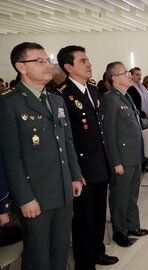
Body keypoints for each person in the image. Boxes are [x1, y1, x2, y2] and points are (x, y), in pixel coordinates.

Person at [0, 42, 83, 270]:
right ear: (21, 67)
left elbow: (67, 142)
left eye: (48, 60)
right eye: (40, 61)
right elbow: (10, 158)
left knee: (60, 250)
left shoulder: (56, 100)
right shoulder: (9, 103)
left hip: (63, 189)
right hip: (35, 195)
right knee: (38, 256)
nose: (48, 65)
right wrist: (25, 198)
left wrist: (75, 176)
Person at [56, 45, 118, 269]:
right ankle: (84, 262)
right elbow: (65, 138)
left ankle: (98, 251)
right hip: (82, 167)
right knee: (83, 218)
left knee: (100, 213)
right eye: (83, 61)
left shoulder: (92, 90)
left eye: (88, 60)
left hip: (99, 163)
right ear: (69, 66)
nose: (90, 64)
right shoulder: (62, 95)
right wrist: (75, 171)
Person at [100, 61, 148, 248]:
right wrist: (116, 162)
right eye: (125, 72)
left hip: (134, 155)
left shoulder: (125, 97)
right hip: (122, 159)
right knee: (120, 196)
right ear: (115, 78)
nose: (130, 74)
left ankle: (132, 225)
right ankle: (120, 232)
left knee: (132, 194)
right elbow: (109, 134)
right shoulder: (110, 99)